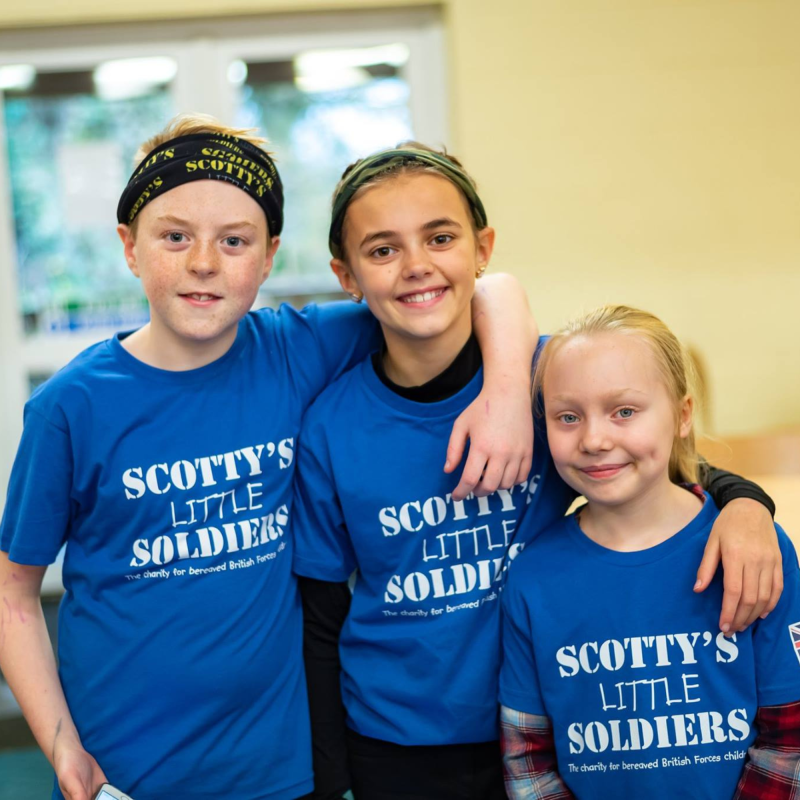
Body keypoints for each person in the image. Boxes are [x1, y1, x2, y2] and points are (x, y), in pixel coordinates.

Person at [0, 115, 540, 800]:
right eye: (174, 236)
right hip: (123, 771)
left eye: (234, 241)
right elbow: (12, 593)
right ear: (129, 247)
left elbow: (482, 288)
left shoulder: (300, 348)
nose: (203, 262)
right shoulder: (71, 407)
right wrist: (59, 744)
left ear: (270, 254)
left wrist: (505, 393)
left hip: (278, 773)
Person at [292, 147, 783, 800]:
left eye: (440, 237)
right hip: (400, 744)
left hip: (558, 725)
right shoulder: (331, 426)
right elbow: (320, 621)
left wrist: (747, 505)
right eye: (382, 250)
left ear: (482, 246)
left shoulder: (555, 377)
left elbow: (660, 461)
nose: (417, 266)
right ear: (345, 275)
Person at [500, 305, 800, 799]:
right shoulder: (533, 575)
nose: (595, 439)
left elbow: (787, 740)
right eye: (567, 417)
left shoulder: (755, 549)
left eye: (624, 411)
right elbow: (528, 758)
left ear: (682, 416)